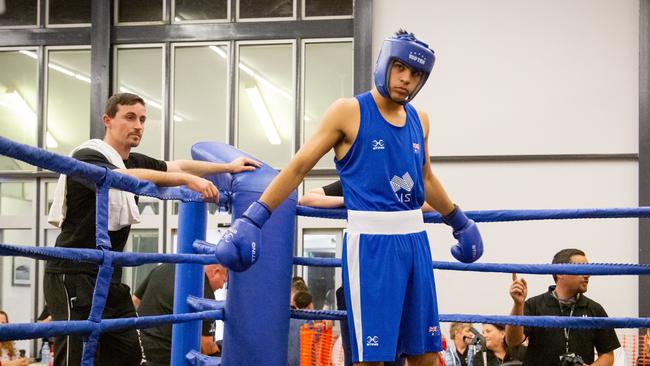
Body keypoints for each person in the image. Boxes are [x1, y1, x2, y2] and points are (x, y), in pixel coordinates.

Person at [215, 29, 484, 366]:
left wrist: (459, 220)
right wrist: (254, 217)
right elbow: (298, 167)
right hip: (371, 245)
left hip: (415, 241)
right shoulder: (348, 111)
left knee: (426, 355)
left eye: (415, 74)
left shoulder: (421, 120)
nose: (406, 79)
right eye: (400, 67)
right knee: (370, 359)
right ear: (385, 64)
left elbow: (426, 178)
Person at [43, 92, 259, 366]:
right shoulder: (89, 155)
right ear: (107, 120)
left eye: (143, 119)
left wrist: (227, 166)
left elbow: (176, 164)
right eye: (130, 117)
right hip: (72, 272)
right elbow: (119, 178)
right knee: (76, 358)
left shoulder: (129, 160)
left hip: (107, 275)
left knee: (128, 355)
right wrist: (183, 180)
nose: (138, 126)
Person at [505, 248, 620, 366]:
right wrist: (518, 304)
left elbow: (608, 355)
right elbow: (513, 342)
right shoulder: (534, 304)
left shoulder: (595, 309)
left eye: (589, 269)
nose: (588, 274)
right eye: (582, 268)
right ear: (560, 272)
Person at [133, 263, 228, 365]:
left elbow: (134, 302)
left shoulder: (163, 267)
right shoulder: (203, 290)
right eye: (224, 281)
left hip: (139, 347)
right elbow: (207, 348)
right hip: (169, 358)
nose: (222, 286)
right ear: (215, 272)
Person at [299, 179, 435, 212]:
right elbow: (306, 199)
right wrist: (349, 200)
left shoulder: (398, 179)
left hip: (397, 243)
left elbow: (430, 205)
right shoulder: (354, 182)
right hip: (363, 244)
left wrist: (388, 205)